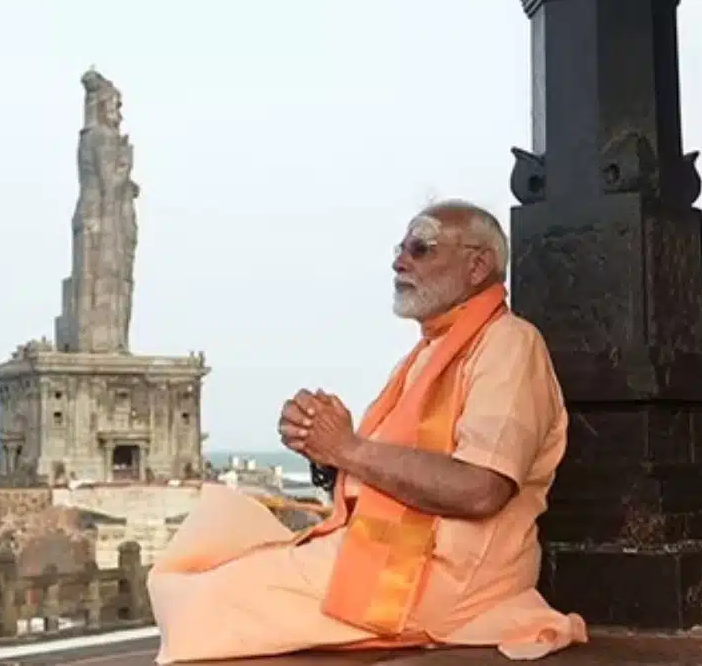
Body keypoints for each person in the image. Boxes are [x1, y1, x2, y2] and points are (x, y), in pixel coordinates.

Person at [147, 199, 588, 663]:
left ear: (477, 265)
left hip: (446, 576)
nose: (399, 261)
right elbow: (382, 474)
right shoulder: (424, 356)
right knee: (206, 545)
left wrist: (347, 447)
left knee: (198, 601)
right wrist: (320, 448)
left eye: (421, 248)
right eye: (400, 248)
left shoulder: (509, 344)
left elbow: (481, 489)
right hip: (392, 553)